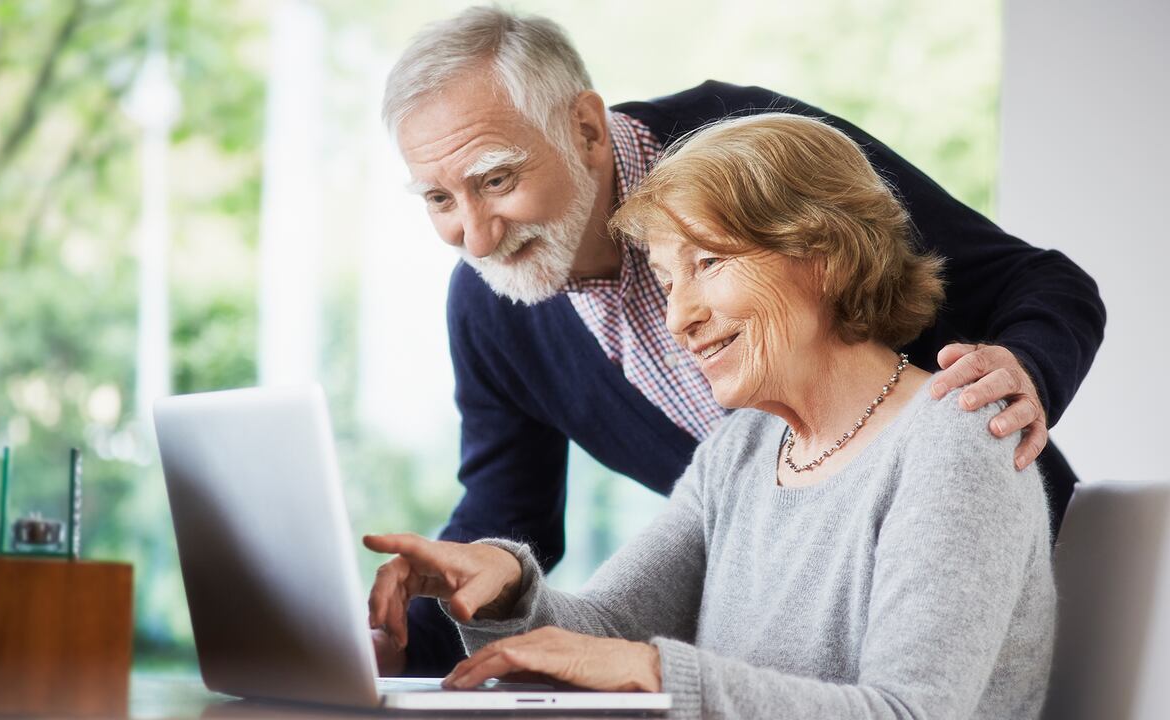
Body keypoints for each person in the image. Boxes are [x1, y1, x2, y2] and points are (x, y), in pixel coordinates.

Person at [377, 6, 1103, 675]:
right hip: (786, 665)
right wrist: (387, 642)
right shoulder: (500, 304)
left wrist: (1021, 372)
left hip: (986, 581)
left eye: (497, 180)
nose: (472, 236)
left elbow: (1040, 283)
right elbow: (511, 524)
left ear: (587, 132)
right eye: (439, 199)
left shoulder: (755, 154)